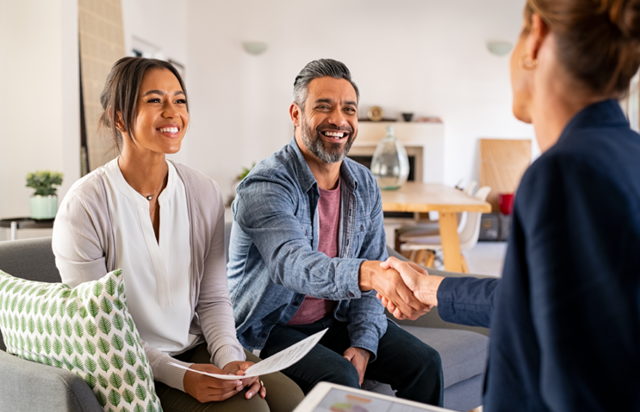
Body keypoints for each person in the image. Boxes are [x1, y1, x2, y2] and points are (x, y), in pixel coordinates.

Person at [378, 0, 640, 410]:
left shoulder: (566, 173)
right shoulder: (627, 155)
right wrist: (431, 288)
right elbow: (542, 305)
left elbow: (581, 386)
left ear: (535, 37)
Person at [52, 57, 304, 412]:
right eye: (155, 100)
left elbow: (214, 298)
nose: (173, 112)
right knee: (250, 410)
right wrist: (179, 375)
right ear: (119, 117)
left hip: (192, 345)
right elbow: (100, 331)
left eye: (180, 100)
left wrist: (230, 358)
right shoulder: (85, 206)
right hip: (127, 365)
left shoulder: (203, 191)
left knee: (291, 399)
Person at [227, 59, 443, 407]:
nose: (339, 120)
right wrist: (368, 272)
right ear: (296, 114)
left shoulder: (363, 183)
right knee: (339, 378)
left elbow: (371, 281)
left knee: (425, 364)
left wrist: (362, 343)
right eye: (323, 107)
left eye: (349, 110)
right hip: (269, 330)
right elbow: (291, 264)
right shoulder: (266, 185)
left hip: (333, 319)